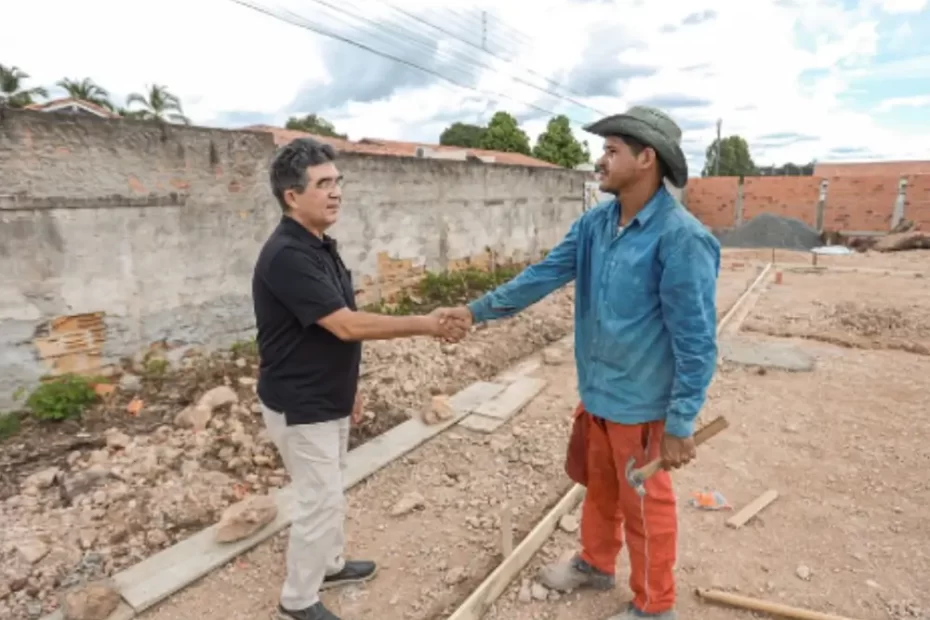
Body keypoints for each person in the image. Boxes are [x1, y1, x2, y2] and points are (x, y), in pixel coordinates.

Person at [438, 106, 720, 619]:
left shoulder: (681, 239)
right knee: (600, 490)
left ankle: (656, 606)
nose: (600, 159)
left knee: (644, 508)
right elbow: (541, 276)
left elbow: (696, 340)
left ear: (646, 158)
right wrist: (475, 312)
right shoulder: (596, 224)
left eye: (612, 150)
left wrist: (680, 422)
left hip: (642, 407)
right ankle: (596, 562)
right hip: (599, 395)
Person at [252, 137, 468, 620]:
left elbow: (336, 328)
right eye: (323, 184)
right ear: (292, 196)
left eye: (337, 182)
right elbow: (347, 324)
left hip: (326, 396)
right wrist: (426, 324)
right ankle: (298, 599)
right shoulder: (288, 255)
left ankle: (328, 564)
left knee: (330, 488)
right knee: (319, 498)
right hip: (301, 402)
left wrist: (350, 388)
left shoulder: (317, 245)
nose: (336, 193)